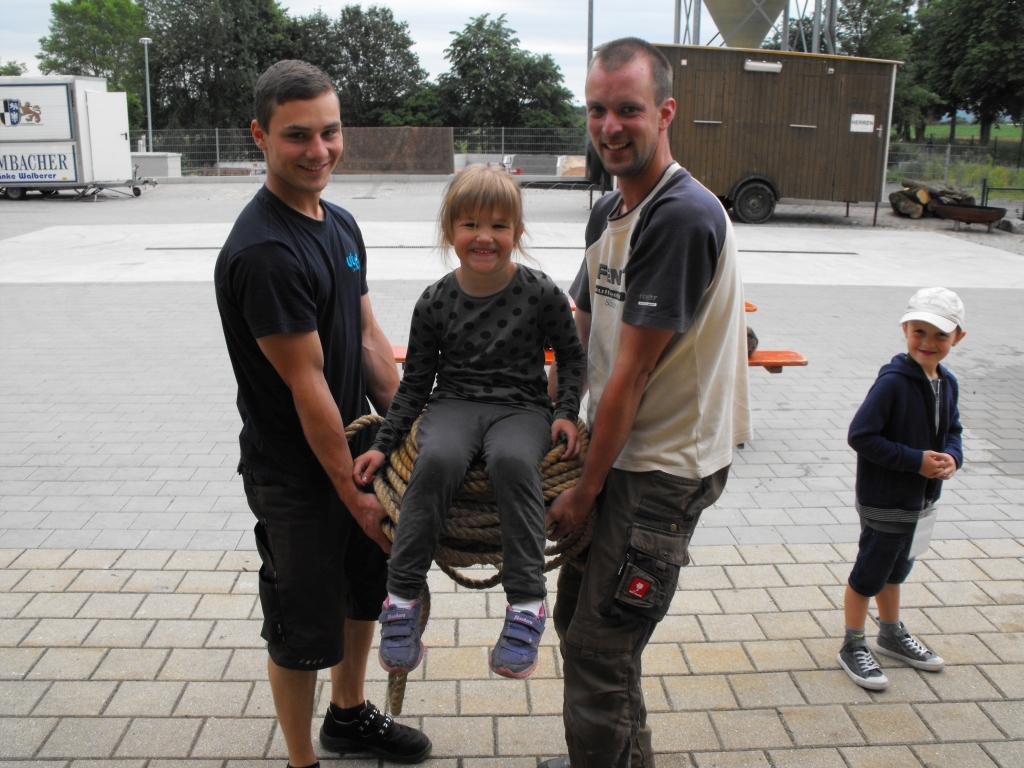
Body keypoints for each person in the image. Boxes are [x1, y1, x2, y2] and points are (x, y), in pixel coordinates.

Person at [213, 60, 431, 767]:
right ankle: (302, 759)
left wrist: (409, 438)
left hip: (355, 454)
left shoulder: (338, 223)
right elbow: (308, 388)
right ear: (260, 136)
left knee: (363, 594)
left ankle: (348, 716)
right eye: (297, 136)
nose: (319, 151)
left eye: (330, 132)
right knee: (301, 626)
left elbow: (370, 339)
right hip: (298, 476)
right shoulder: (266, 251)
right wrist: (350, 491)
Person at [542, 38, 752, 767]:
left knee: (602, 647)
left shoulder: (681, 217)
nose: (609, 127)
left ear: (664, 112)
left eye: (627, 109)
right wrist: (555, 411)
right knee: (578, 622)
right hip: (618, 450)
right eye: (597, 110)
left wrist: (584, 491)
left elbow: (628, 376)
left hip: (662, 468)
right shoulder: (611, 208)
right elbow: (577, 325)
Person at [353, 164, 586, 680]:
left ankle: (526, 605)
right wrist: (384, 444)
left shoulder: (541, 293)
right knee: (434, 460)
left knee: (512, 465)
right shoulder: (435, 301)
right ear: (450, 231)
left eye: (499, 225)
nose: (484, 236)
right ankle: (402, 596)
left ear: (517, 234)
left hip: (521, 407)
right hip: (453, 402)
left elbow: (572, 357)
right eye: (470, 225)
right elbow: (415, 384)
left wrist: (566, 411)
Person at [839, 287, 965, 690]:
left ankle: (890, 633)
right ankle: (853, 643)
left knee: (898, 568)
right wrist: (916, 461)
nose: (928, 343)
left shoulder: (948, 383)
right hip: (885, 501)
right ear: (905, 330)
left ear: (957, 338)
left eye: (940, 335)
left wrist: (951, 457)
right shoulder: (893, 382)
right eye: (920, 331)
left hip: (920, 504)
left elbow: (954, 431)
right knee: (869, 574)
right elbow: (861, 435)